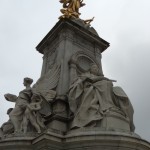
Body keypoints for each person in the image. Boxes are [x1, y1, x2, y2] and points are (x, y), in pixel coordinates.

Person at [68, 64, 116, 129]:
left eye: (96, 68)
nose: (95, 69)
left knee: (108, 84)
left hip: (97, 87)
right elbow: (80, 82)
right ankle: (106, 107)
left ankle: (109, 106)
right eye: (94, 67)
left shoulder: (99, 78)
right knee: (104, 84)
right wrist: (102, 78)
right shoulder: (85, 75)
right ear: (90, 69)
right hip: (89, 88)